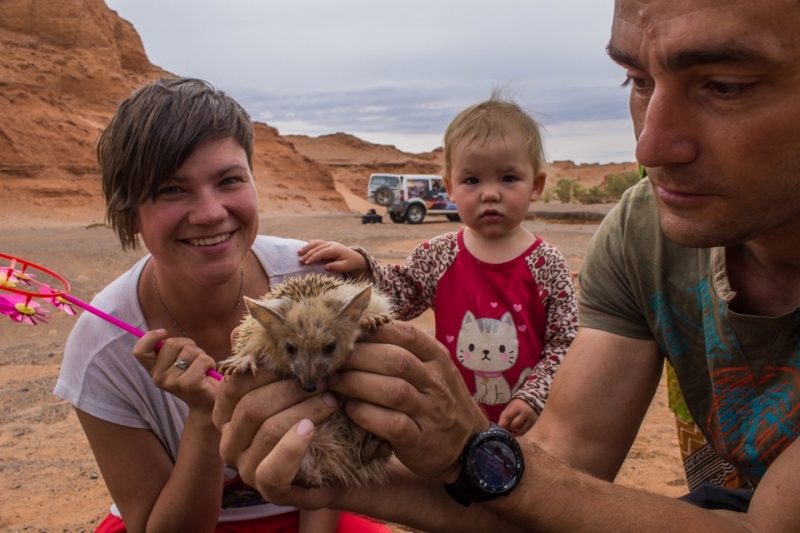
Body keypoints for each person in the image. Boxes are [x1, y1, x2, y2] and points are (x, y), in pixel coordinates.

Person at [211, 0, 800, 531]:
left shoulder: (545, 262)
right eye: (636, 79)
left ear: (535, 184)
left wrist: (479, 447)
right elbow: (553, 479)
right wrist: (345, 475)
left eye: (726, 85)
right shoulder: (644, 234)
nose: (647, 147)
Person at [53, 77, 392, 533]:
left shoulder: (320, 280)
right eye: (172, 189)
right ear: (130, 214)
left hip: (314, 504)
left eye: (229, 180)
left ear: (254, 181)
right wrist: (203, 417)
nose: (211, 213)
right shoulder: (100, 346)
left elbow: (338, 456)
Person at [298, 96, 577, 435]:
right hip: (450, 418)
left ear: (536, 185)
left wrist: (534, 395)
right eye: (472, 180)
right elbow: (399, 298)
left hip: (528, 424)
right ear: (450, 189)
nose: (490, 194)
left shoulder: (547, 264)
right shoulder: (439, 254)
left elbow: (566, 342)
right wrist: (361, 266)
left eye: (508, 178)